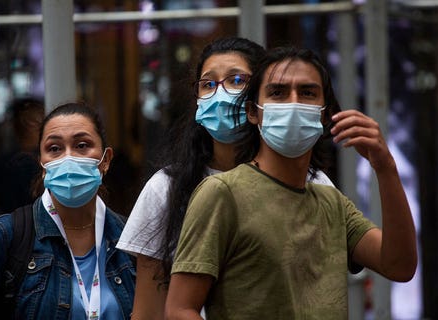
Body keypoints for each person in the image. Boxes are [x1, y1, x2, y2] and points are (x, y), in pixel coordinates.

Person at [165, 46, 418, 319]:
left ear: (324, 114)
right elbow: (180, 310)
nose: (293, 102)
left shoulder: (331, 203)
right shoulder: (222, 194)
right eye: (278, 92)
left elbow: (399, 266)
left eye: (307, 93)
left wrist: (385, 168)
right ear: (253, 112)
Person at [116, 37, 335, 319]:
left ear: (260, 97)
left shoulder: (311, 185)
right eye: (208, 84)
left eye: (236, 80)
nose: (220, 94)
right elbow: (148, 312)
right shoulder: (165, 189)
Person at [0, 102, 136, 319]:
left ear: (105, 160)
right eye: (55, 149)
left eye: (82, 145)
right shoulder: (4, 236)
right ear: (42, 165)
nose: (68, 158)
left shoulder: (131, 239)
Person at [0, 97, 44, 214]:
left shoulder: (49, 161)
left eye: (36, 120)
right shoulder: (1, 164)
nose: (30, 125)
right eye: (28, 120)